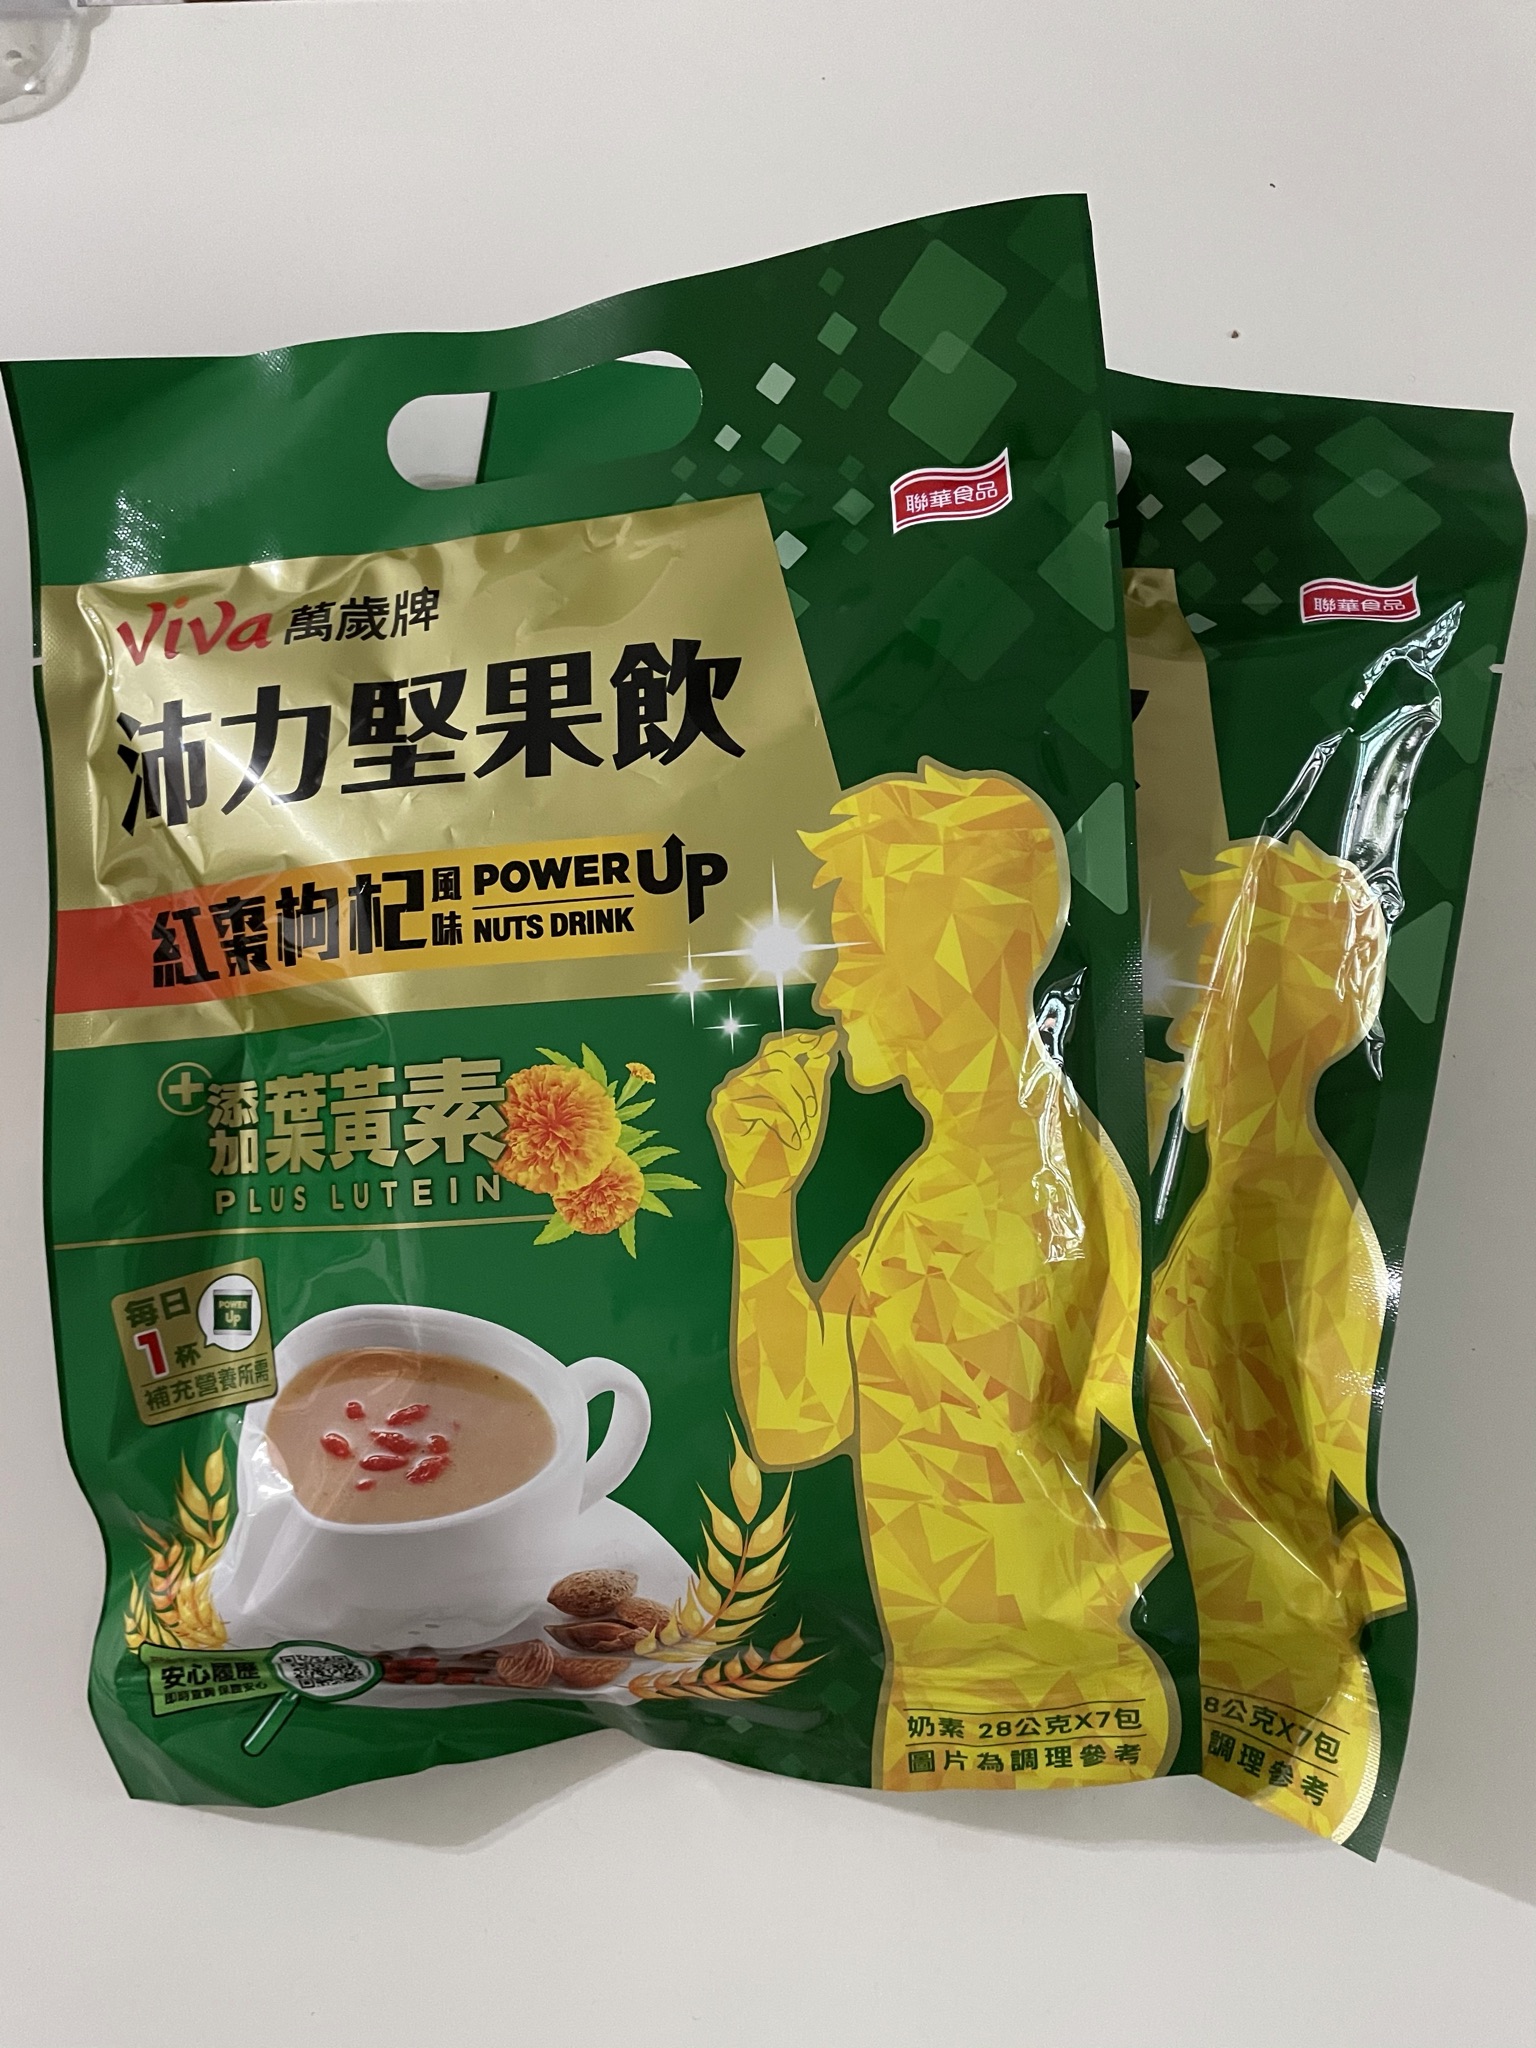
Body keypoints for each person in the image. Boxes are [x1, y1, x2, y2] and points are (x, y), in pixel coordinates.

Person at [709, 762, 1176, 1789]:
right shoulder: (943, 1181)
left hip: (1038, 1720)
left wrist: (1088, 1595)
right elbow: (796, 1423)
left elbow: (1163, 1445)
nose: (830, 989)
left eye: (859, 951)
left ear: (949, 961)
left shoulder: (1032, 1183)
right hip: (951, 1715)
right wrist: (762, 1199)